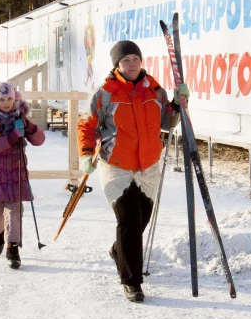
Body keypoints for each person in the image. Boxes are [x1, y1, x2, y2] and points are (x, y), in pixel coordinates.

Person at [77, 40, 189, 303]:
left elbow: (168, 121)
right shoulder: (105, 92)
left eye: (135, 59)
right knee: (128, 220)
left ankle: (120, 251)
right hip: (116, 165)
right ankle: (132, 282)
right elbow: (86, 125)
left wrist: (176, 102)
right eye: (125, 60)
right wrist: (85, 154)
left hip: (148, 165)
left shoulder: (154, 89)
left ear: (141, 61)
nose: (131, 64)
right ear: (117, 64)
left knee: (141, 220)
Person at [0, 81, 46, 269]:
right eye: (2, 99)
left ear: (15, 98)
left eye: (9, 98)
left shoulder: (20, 118)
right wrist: (12, 136)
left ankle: (13, 248)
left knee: (15, 213)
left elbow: (40, 140)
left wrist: (30, 128)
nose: (7, 103)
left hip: (16, 174)